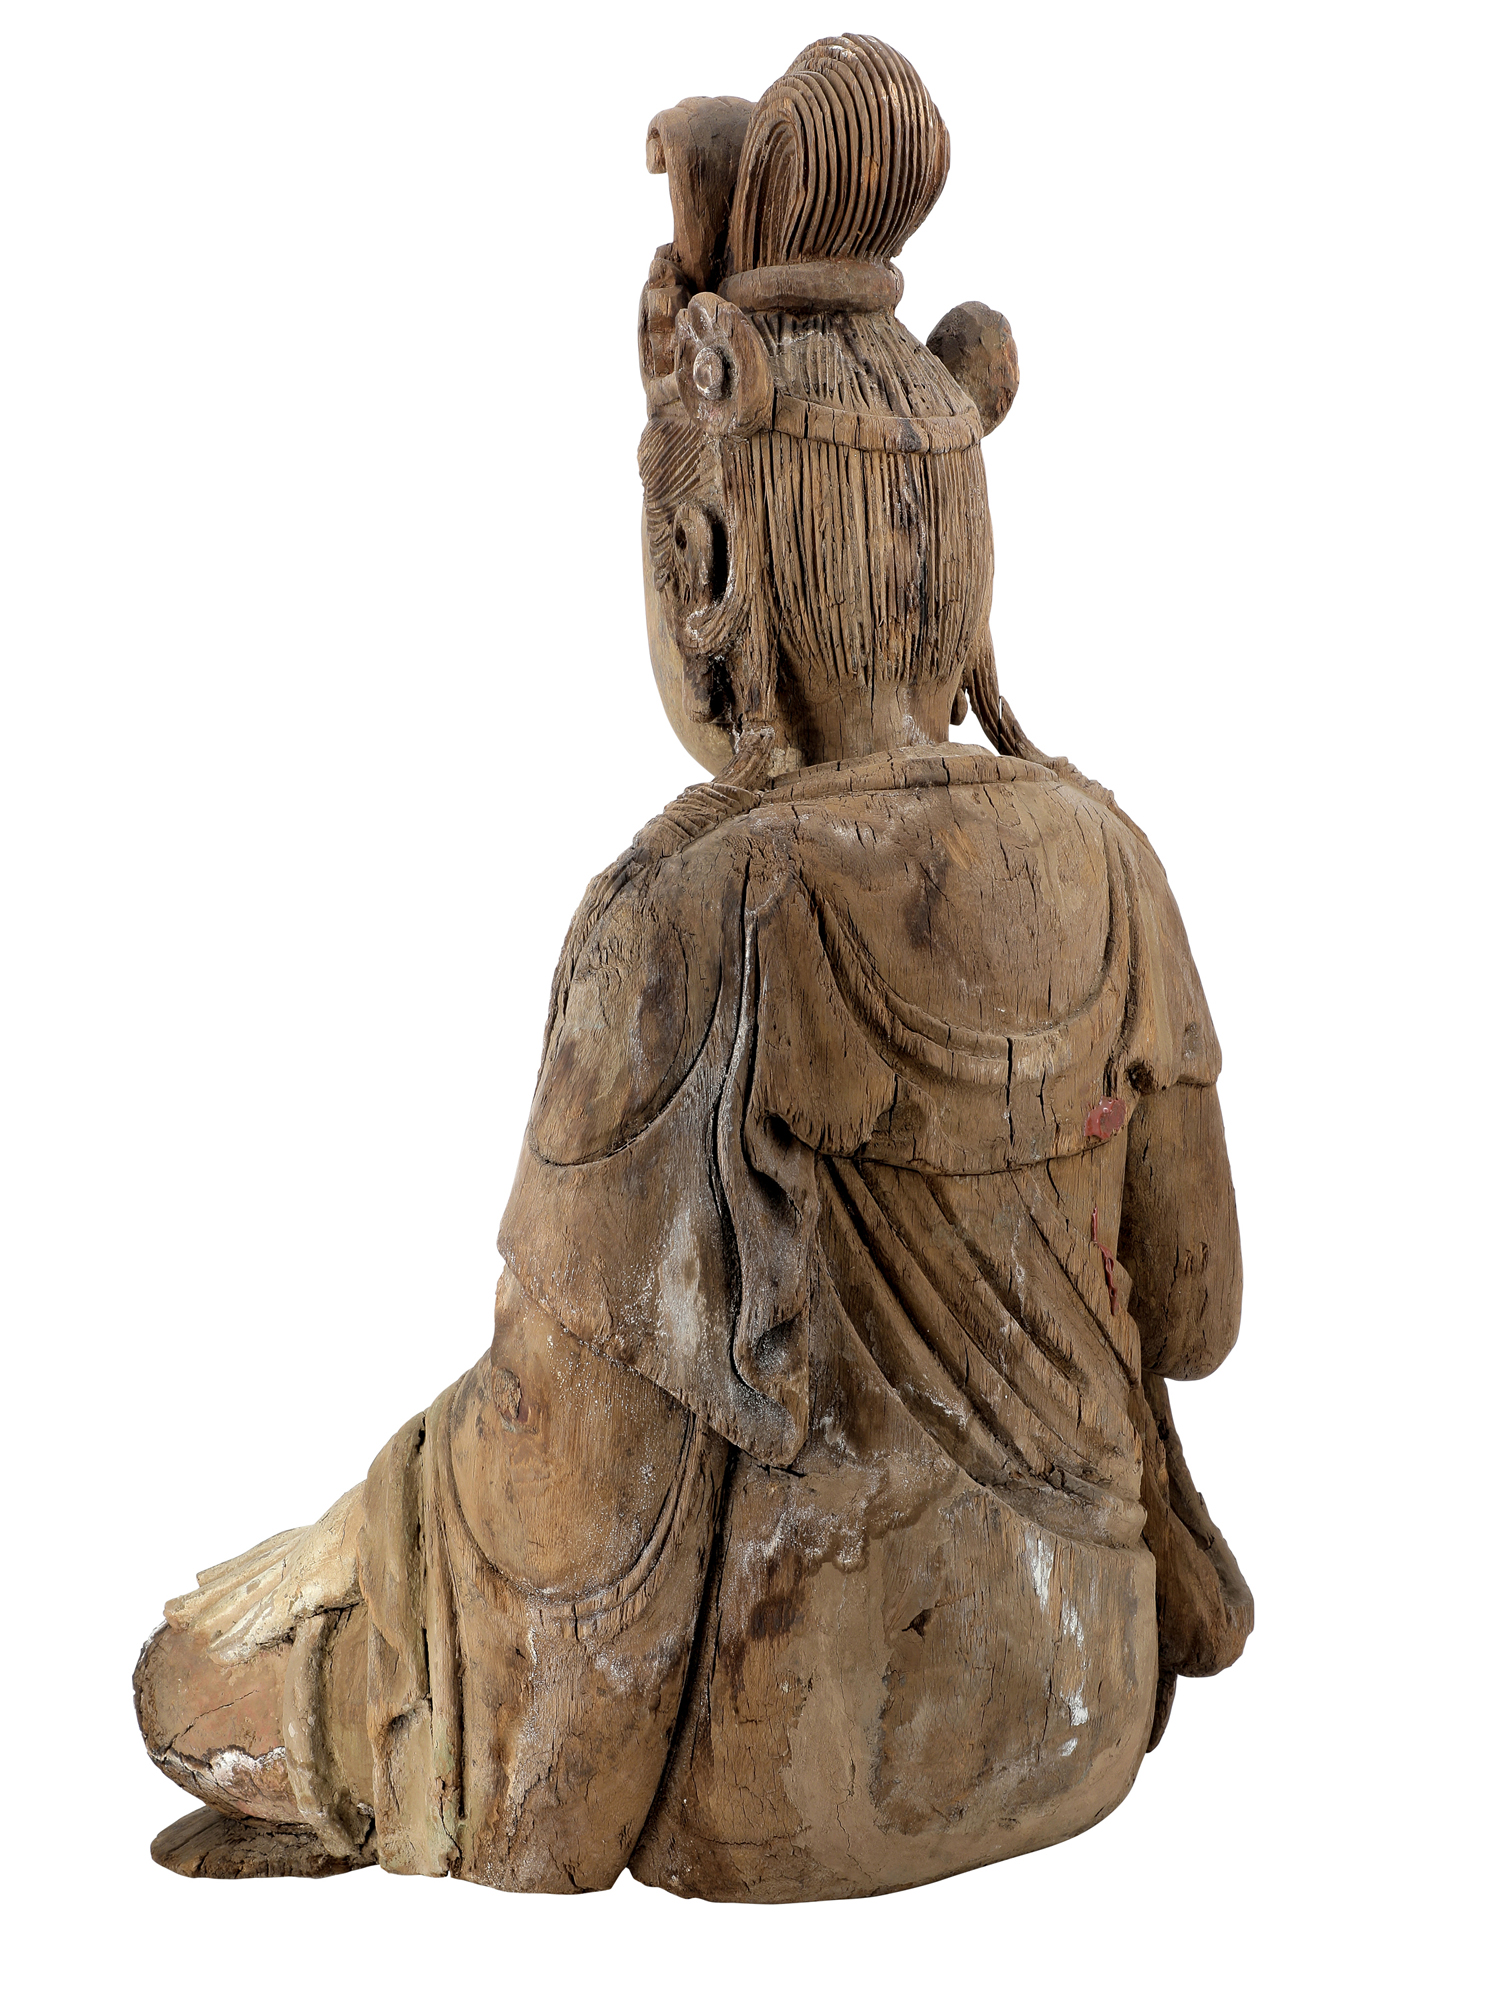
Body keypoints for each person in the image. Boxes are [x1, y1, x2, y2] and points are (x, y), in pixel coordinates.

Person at [136, 34, 1251, 1901]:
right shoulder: (1111, 858)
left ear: (710, 558)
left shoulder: (686, 917)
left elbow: (572, 1491)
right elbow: (1201, 1319)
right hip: (1082, 1712)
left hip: (786, 1779)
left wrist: (408, 1663)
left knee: (195, 1674)